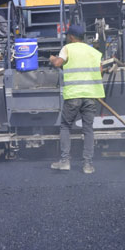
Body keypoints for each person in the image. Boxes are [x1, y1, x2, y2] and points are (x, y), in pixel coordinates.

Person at [49, 25, 104, 174]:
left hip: (74, 94)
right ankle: (87, 165)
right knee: (88, 129)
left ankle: (65, 161)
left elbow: (58, 63)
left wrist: (52, 58)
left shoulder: (68, 48)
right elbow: (100, 70)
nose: (67, 37)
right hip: (91, 95)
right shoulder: (93, 51)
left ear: (72, 37)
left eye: (68, 35)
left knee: (66, 126)